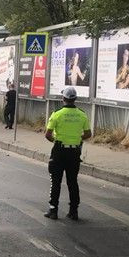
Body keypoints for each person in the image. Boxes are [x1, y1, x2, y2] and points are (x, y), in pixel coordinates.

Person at [44, 87, 92, 220]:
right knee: (72, 182)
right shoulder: (82, 114)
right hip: (74, 152)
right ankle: (74, 211)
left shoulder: (57, 114)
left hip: (59, 151)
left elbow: (47, 135)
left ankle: (53, 210)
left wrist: (57, 141)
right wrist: (77, 138)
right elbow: (88, 134)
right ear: (75, 99)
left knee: (56, 181)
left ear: (63, 99)